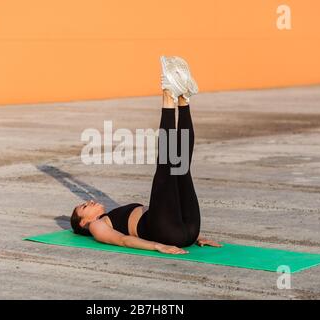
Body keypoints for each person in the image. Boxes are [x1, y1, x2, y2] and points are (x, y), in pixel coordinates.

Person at [70, 56, 221, 254]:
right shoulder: (96, 227)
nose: (88, 201)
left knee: (182, 167)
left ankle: (184, 97)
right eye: (83, 207)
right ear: (83, 223)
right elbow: (124, 241)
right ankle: (169, 93)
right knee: (167, 168)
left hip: (187, 230)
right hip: (166, 233)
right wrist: (159, 246)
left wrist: (196, 238)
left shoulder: (110, 217)